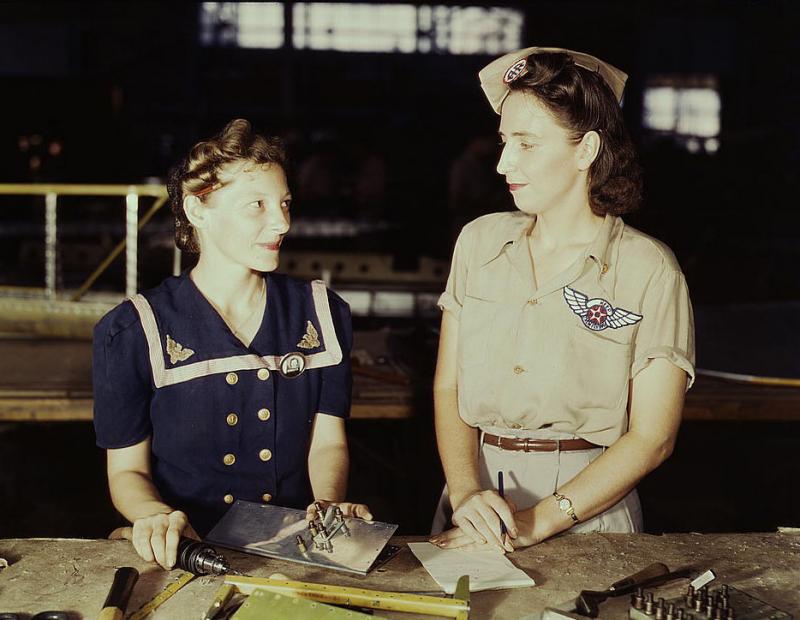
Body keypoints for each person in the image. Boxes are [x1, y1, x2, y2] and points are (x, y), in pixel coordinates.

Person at [429, 47, 695, 552]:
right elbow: (449, 388)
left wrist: (538, 522)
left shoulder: (648, 269)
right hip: (475, 504)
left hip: (587, 516)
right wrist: (465, 491)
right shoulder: (479, 243)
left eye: (527, 144)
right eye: (505, 141)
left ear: (585, 149)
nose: (505, 162)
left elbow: (653, 437)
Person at [93, 119, 371, 569]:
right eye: (256, 206)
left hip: (294, 549)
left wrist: (327, 506)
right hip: (189, 548)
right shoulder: (133, 329)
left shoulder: (321, 313)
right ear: (198, 210)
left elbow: (327, 443)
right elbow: (127, 471)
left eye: (283, 203)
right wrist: (157, 518)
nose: (281, 221)